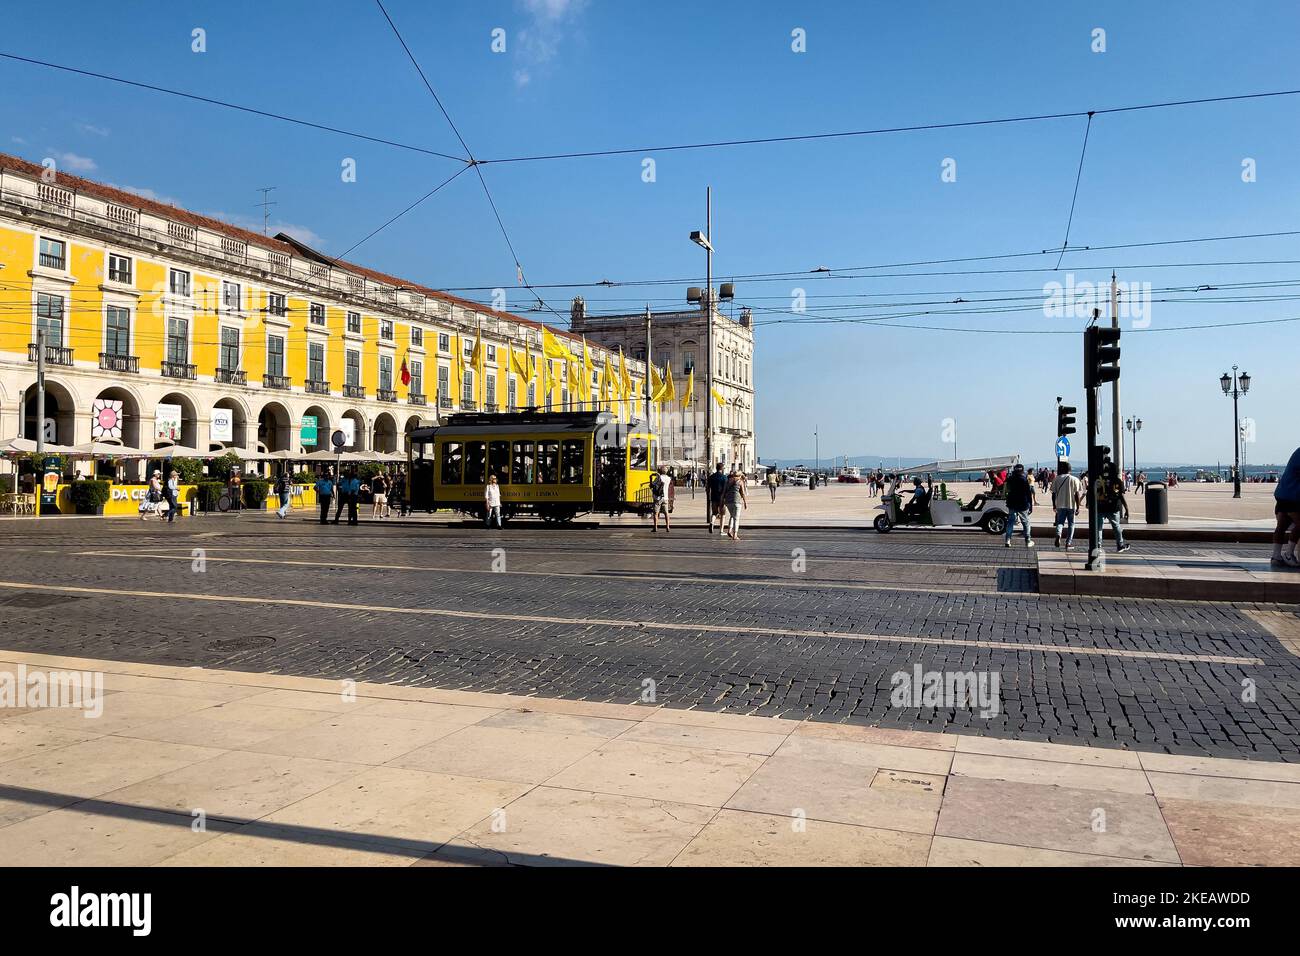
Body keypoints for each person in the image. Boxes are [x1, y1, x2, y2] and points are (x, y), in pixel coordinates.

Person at [1271, 445, 1300, 569]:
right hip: (1292, 495)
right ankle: (1289, 554)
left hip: (1282, 493)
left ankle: (1276, 556)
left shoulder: (1297, 451)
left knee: (1281, 525)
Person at [1095, 461, 1131, 553]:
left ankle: (1098, 545)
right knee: (1116, 526)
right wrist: (1126, 508)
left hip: (1101, 506)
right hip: (1113, 507)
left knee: (1099, 527)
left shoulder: (1100, 479)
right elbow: (1121, 496)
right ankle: (1120, 545)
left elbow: (1094, 492)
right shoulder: (1118, 481)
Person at [1049, 461, 1083, 550]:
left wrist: (1054, 505)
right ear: (1070, 470)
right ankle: (1068, 543)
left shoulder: (1057, 479)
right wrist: (1078, 506)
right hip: (1071, 505)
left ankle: (1058, 533)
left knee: (1060, 522)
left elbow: (1053, 494)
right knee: (1071, 524)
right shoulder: (1075, 479)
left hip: (1060, 504)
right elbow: (1077, 494)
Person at [1003, 463, 1034, 548]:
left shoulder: (1010, 479)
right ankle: (1028, 540)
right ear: (1022, 470)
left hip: (1012, 503)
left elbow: (1006, 491)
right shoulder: (1024, 480)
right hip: (1023, 504)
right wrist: (1031, 505)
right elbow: (1028, 494)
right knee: (1025, 522)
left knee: (1010, 522)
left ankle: (1008, 540)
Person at [722, 465, 747, 540]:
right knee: (737, 518)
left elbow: (724, 491)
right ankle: (735, 534)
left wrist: (722, 500)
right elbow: (742, 493)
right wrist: (745, 502)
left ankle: (729, 530)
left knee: (732, 516)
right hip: (736, 501)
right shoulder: (740, 481)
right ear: (739, 475)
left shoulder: (728, 480)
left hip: (728, 501)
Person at [706, 462, 728, 534]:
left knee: (714, 513)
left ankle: (712, 522)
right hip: (722, 498)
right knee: (723, 514)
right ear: (722, 468)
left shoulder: (711, 477)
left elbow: (707, 488)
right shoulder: (724, 477)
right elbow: (726, 489)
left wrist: (708, 496)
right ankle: (721, 531)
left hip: (713, 497)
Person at [650, 464, 672, 532]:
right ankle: (667, 527)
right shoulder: (669, 478)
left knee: (656, 513)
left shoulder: (658, 478)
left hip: (658, 498)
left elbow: (652, 485)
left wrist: (650, 478)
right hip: (665, 498)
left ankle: (655, 527)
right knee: (666, 513)